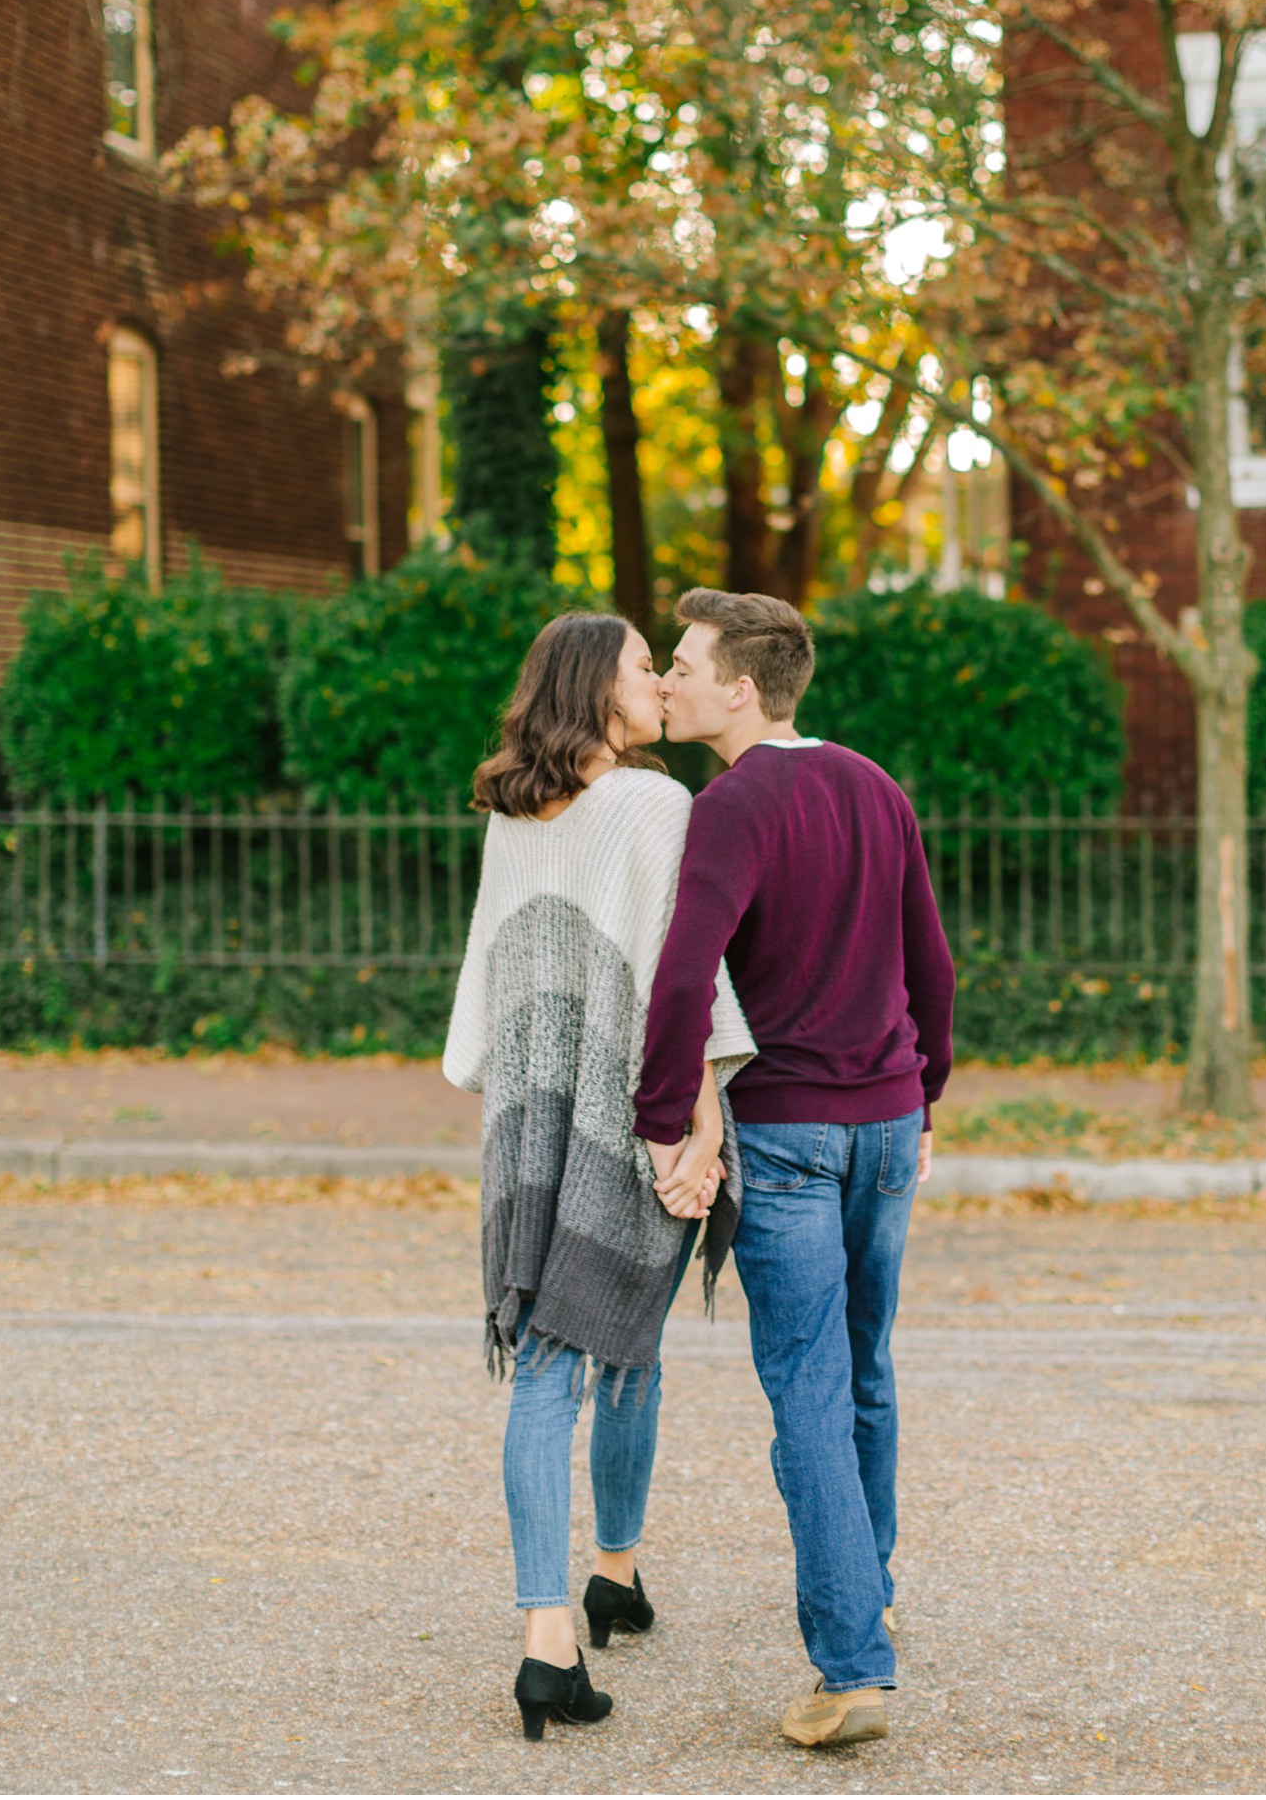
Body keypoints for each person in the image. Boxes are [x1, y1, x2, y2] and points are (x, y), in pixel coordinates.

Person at [637, 588, 955, 1750]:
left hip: (784, 1136)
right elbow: (932, 958)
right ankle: (867, 1592)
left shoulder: (730, 805)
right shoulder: (874, 783)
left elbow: (683, 978)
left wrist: (664, 1116)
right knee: (865, 1367)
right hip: (884, 1123)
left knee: (810, 1388)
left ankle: (850, 1664)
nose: (667, 679)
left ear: (740, 686)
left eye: (682, 662)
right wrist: (930, 1091)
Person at [443, 611, 754, 1743]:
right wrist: (700, 1129)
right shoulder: (653, 805)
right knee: (624, 1341)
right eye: (642, 666)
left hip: (530, 1127)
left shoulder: (512, 816)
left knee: (543, 1362)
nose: (659, 683)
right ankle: (592, 1589)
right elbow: (685, 975)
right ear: (597, 686)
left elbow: (492, 991)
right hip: (631, 1115)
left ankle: (565, 1615)